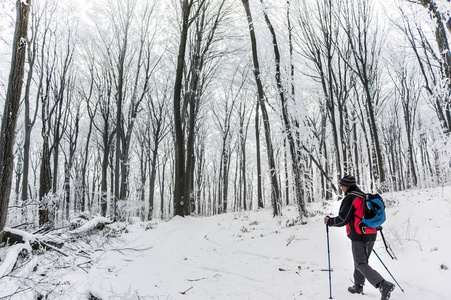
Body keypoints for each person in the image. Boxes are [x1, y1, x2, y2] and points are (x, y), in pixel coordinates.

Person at [324, 175, 395, 300]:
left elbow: (342, 219)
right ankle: (358, 286)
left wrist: (330, 221)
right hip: (371, 233)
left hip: (359, 235)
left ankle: (382, 284)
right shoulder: (363, 196)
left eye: (342, 186)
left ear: (346, 186)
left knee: (360, 263)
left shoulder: (350, 198)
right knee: (362, 262)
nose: (341, 188)